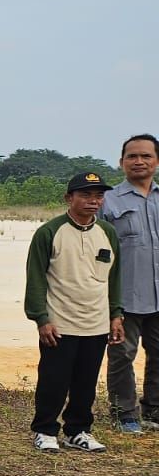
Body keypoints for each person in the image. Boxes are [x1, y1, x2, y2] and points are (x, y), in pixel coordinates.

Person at [25, 172, 124, 453]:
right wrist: (41, 318)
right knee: (53, 380)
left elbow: (114, 277)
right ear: (69, 198)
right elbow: (36, 278)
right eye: (85, 195)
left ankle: (78, 430)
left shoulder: (108, 233)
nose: (93, 201)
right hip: (60, 323)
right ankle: (45, 430)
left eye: (98, 196)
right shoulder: (49, 232)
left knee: (86, 381)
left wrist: (116, 314)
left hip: (96, 322)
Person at [99, 133, 159, 434]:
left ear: (156, 161)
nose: (139, 161)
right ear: (121, 162)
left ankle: (154, 411)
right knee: (122, 356)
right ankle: (125, 415)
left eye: (146, 156)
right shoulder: (107, 200)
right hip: (124, 297)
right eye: (132, 156)